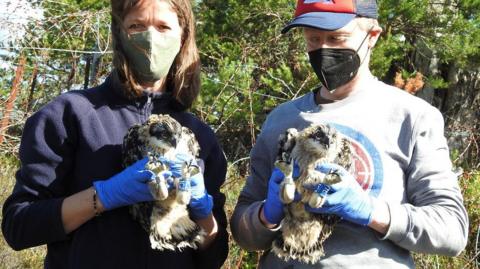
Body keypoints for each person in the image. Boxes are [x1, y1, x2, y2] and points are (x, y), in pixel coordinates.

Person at [230, 0, 469, 268]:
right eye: (313, 39)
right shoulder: (281, 119)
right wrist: (265, 215)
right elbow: (243, 231)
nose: (323, 49)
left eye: (336, 37)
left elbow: (451, 230)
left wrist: (370, 211)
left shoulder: (411, 117)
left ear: (372, 36)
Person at [1, 0, 228, 268]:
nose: (151, 38)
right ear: (119, 33)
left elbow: (213, 255)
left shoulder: (200, 136)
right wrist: (104, 196)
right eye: (137, 25)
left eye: (163, 26)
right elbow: (20, 226)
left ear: (183, 36)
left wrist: (203, 214)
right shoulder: (70, 114)